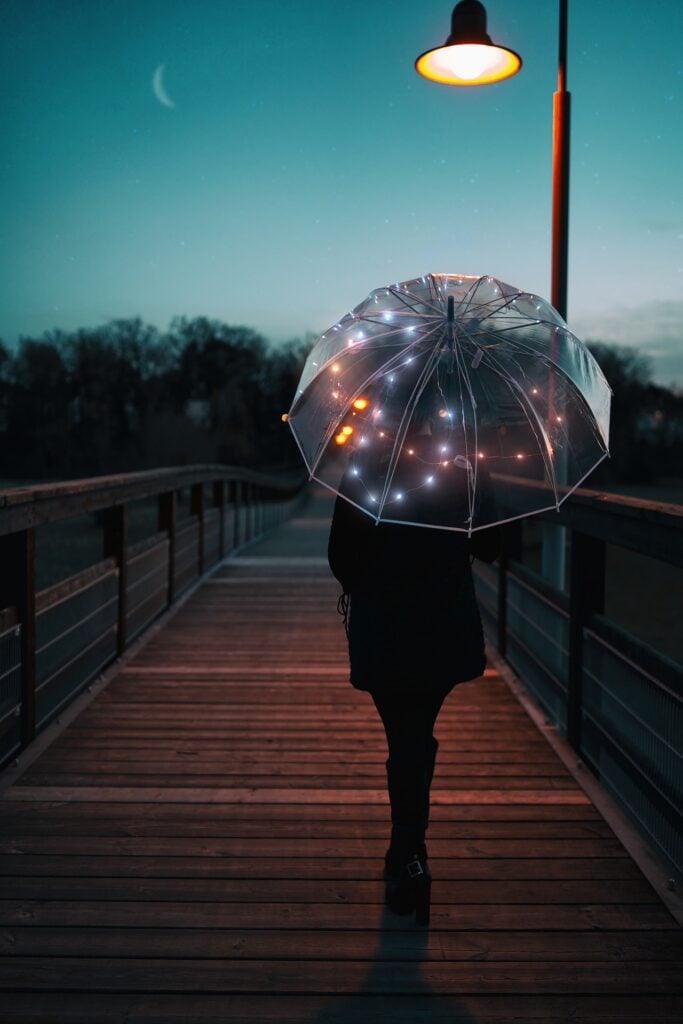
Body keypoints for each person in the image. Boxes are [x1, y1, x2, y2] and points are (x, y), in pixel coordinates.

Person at [327, 398, 502, 926]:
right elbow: (493, 547)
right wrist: (480, 476)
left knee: (404, 738)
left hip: (385, 629)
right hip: (441, 630)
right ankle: (408, 854)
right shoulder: (461, 469)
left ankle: (406, 855)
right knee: (416, 735)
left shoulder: (364, 468)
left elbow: (341, 559)